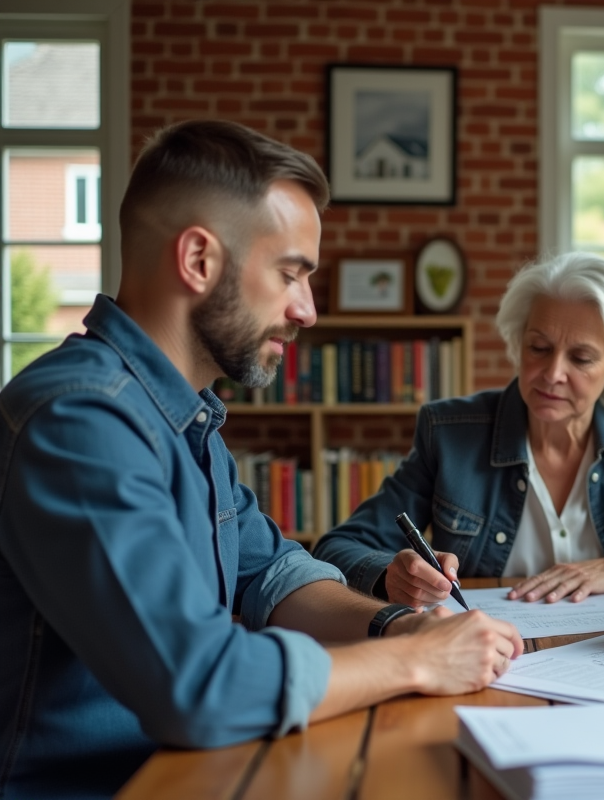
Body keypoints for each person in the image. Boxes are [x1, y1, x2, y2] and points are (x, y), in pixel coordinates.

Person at [0, 120, 522, 800]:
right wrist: (415, 659)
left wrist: (396, 622)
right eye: (290, 273)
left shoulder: (184, 416)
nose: (306, 310)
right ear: (198, 261)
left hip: (199, 771)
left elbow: (273, 573)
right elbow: (199, 686)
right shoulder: (79, 420)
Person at [313, 252, 604, 608]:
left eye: (581, 358)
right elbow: (339, 546)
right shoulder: (450, 434)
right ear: (518, 343)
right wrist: (389, 572)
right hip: (491, 654)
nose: (552, 374)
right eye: (539, 348)